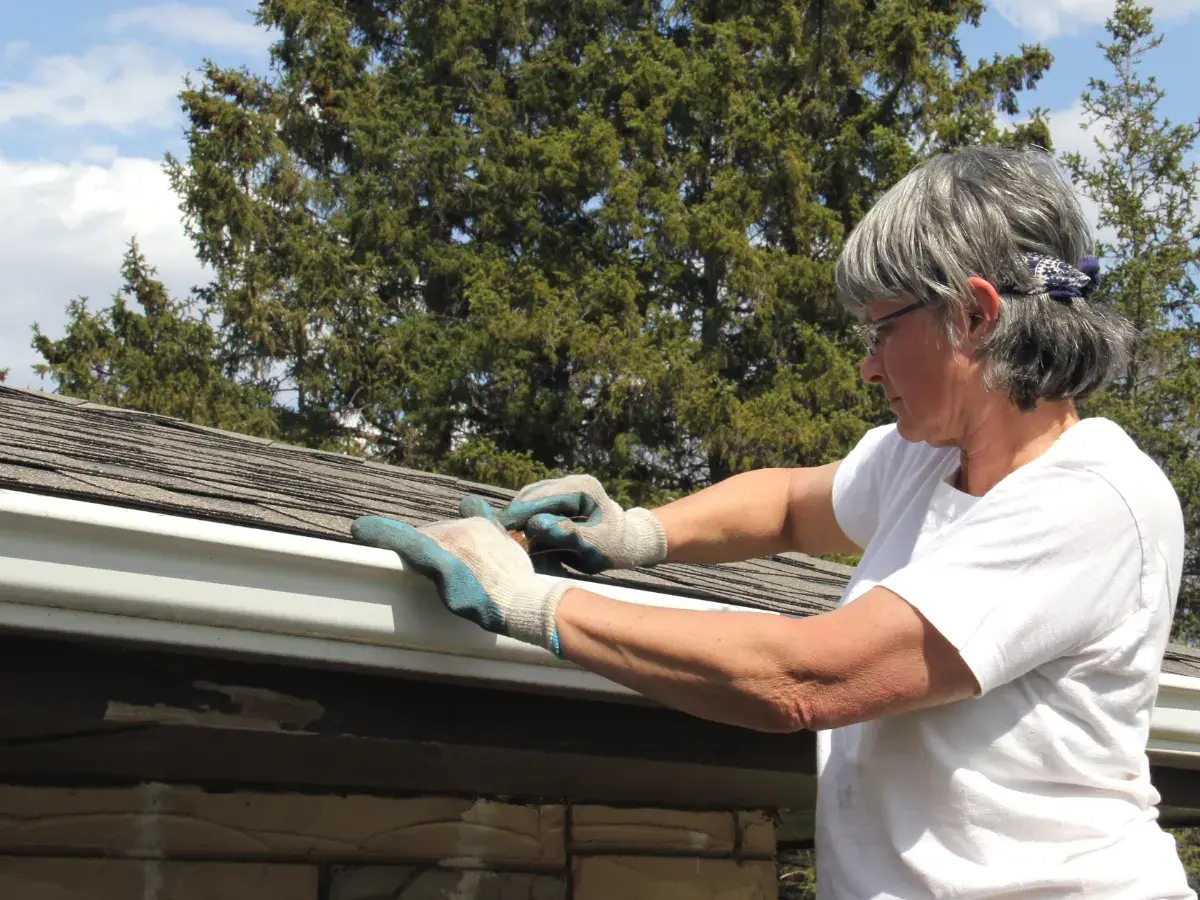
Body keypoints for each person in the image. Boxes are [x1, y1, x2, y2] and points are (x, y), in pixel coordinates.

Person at [351, 146, 1195, 898]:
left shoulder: (1090, 500)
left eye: (882, 330)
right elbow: (791, 505)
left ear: (974, 315)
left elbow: (807, 679)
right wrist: (638, 532)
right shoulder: (928, 457)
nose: (868, 368)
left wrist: (531, 602)